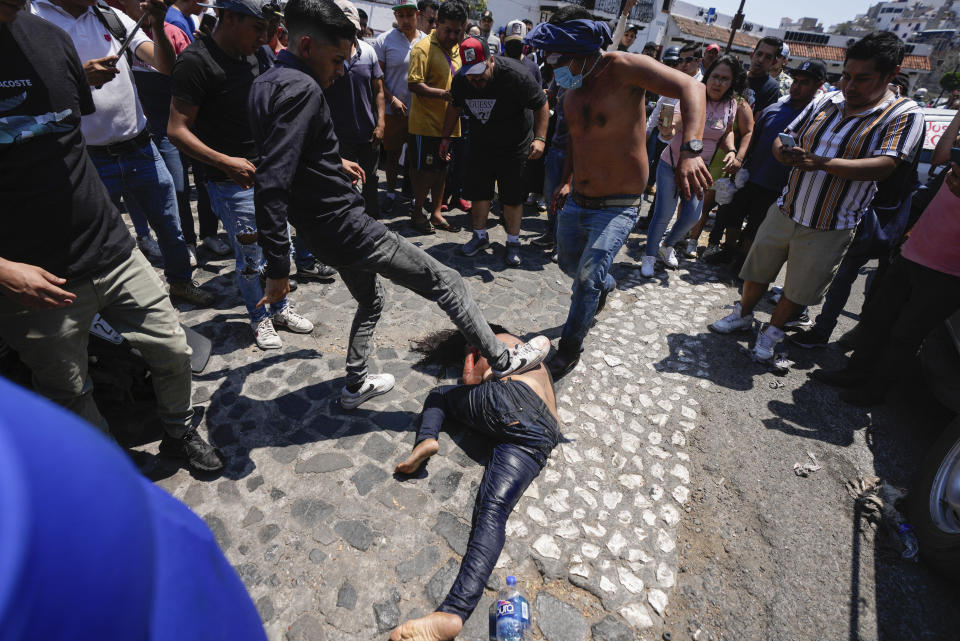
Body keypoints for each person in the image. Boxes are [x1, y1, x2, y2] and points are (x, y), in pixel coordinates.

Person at [248, 0, 552, 409]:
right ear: (306, 46)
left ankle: (356, 382)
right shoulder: (302, 89)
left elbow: (282, 150)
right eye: (337, 60)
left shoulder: (266, 81)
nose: (340, 72)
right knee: (449, 283)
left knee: (371, 300)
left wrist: (330, 160)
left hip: (319, 232)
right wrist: (277, 270)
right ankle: (502, 359)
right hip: (346, 226)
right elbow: (271, 182)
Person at [0, 3, 222, 472]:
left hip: (110, 246)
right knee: (69, 390)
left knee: (173, 349)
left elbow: (64, 136)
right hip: (34, 278)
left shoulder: (49, 38)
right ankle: (110, 471)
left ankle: (179, 432)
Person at [708, 32, 924, 366]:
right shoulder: (827, 100)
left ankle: (773, 333)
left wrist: (821, 163)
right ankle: (743, 315)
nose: (850, 86)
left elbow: (884, 166)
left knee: (799, 289)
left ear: (890, 75)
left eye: (863, 79)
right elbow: (788, 136)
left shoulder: (904, 114)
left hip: (832, 223)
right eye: (847, 76)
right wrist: (784, 153)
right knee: (757, 270)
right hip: (787, 207)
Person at [525, 8, 711, 378]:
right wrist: (565, 181)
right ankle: (603, 286)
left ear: (580, 52)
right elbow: (579, 143)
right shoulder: (570, 92)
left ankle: (570, 350)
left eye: (557, 58)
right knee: (569, 266)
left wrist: (691, 150)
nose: (551, 65)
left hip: (620, 203)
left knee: (585, 277)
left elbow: (693, 86)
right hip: (578, 199)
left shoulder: (626, 67)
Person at [31, 0, 214, 307]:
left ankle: (181, 283)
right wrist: (80, 76)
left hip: (139, 146)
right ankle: (105, 308)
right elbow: (28, 91)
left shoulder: (107, 15)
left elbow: (164, 64)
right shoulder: (32, 19)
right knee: (95, 239)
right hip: (86, 158)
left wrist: (156, 23)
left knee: (171, 228)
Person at [389, 330, 560, 641]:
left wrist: (470, 352)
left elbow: (470, 378)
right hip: (544, 433)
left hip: (512, 402)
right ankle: (452, 613)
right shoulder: (530, 351)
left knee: (440, 395)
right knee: (493, 513)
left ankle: (426, 439)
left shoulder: (493, 337)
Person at [168, 0, 314, 350]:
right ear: (228, 17)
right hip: (229, 180)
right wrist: (224, 161)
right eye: (257, 27)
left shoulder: (258, 54)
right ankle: (259, 317)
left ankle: (279, 307)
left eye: (268, 29)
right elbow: (176, 129)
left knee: (279, 244)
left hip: (269, 171)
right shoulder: (195, 61)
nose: (265, 37)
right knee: (251, 256)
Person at [809, 162, 960, 405]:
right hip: (913, 251)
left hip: (949, 273)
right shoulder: (954, 165)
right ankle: (854, 372)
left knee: (905, 334)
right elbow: (931, 188)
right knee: (877, 318)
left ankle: (874, 391)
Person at [133, 0, 233, 267]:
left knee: (202, 181)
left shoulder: (174, 29)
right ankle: (187, 241)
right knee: (177, 188)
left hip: (187, 121)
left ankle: (209, 233)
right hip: (157, 126)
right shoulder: (126, 34)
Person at [703, 59, 826, 268]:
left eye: (804, 82)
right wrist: (739, 162)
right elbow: (752, 137)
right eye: (795, 80)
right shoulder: (775, 107)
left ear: (818, 85)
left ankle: (743, 261)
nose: (797, 86)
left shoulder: (817, 116)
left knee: (757, 224)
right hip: (750, 174)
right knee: (732, 213)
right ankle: (728, 250)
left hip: (778, 183)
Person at [440, 36, 549, 266]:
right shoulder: (462, 80)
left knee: (512, 195)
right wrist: (446, 137)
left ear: (490, 60)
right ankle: (480, 237)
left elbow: (541, 103)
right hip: (481, 144)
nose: (476, 81)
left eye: (480, 74)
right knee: (479, 192)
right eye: (471, 76)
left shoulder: (515, 75)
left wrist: (540, 138)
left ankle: (513, 242)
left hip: (515, 144)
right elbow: (455, 106)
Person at [642, 54, 742, 277]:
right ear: (708, 76)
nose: (718, 82)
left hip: (700, 169)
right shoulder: (693, 94)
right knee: (663, 214)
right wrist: (668, 129)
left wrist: (732, 150)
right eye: (715, 76)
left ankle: (666, 246)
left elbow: (727, 133)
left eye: (725, 79)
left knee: (692, 217)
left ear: (732, 82)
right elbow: (675, 121)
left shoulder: (731, 104)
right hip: (671, 163)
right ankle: (648, 255)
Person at [406, 0, 466, 234]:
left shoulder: (457, 49)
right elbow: (414, 84)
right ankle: (417, 213)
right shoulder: (423, 48)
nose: (452, 35)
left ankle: (436, 213)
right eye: (447, 30)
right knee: (425, 172)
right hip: (425, 125)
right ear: (437, 24)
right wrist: (444, 95)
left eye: (457, 31)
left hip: (450, 126)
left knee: (442, 171)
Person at [325, 0, 385, 218]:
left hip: (368, 133)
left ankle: (371, 220)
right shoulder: (326, 54)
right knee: (341, 181)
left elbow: (378, 90)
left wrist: (381, 123)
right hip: (338, 134)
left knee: (370, 179)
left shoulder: (368, 52)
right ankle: (345, 220)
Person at [374, 0, 426, 213]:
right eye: (400, 15)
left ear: (417, 14)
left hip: (420, 112)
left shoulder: (426, 41)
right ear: (395, 17)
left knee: (415, 158)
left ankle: (415, 197)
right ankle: (390, 194)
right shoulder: (384, 41)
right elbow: (377, 78)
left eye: (409, 15)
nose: (404, 20)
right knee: (393, 155)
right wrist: (392, 98)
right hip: (393, 110)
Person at [743, 36, 782, 114]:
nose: (761, 60)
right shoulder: (737, 77)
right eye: (759, 54)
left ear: (773, 62)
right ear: (752, 55)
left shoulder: (772, 88)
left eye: (768, 57)